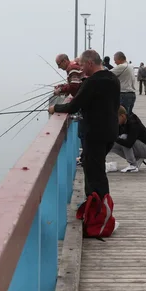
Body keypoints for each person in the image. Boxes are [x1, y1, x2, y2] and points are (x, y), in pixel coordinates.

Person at [49, 49, 121, 198]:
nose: (80, 68)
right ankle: (99, 208)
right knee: (98, 170)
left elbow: (73, 106)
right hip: (110, 132)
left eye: (82, 65)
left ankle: (98, 211)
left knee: (94, 175)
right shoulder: (113, 79)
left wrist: (55, 108)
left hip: (95, 133)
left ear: (90, 63)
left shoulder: (92, 82)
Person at [111, 106, 146, 173]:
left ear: (122, 116)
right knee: (112, 144)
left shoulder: (133, 123)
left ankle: (133, 165)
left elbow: (129, 144)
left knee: (124, 137)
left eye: (116, 119)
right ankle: (135, 159)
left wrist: (114, 138)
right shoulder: (122, 123)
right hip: (138, 147)